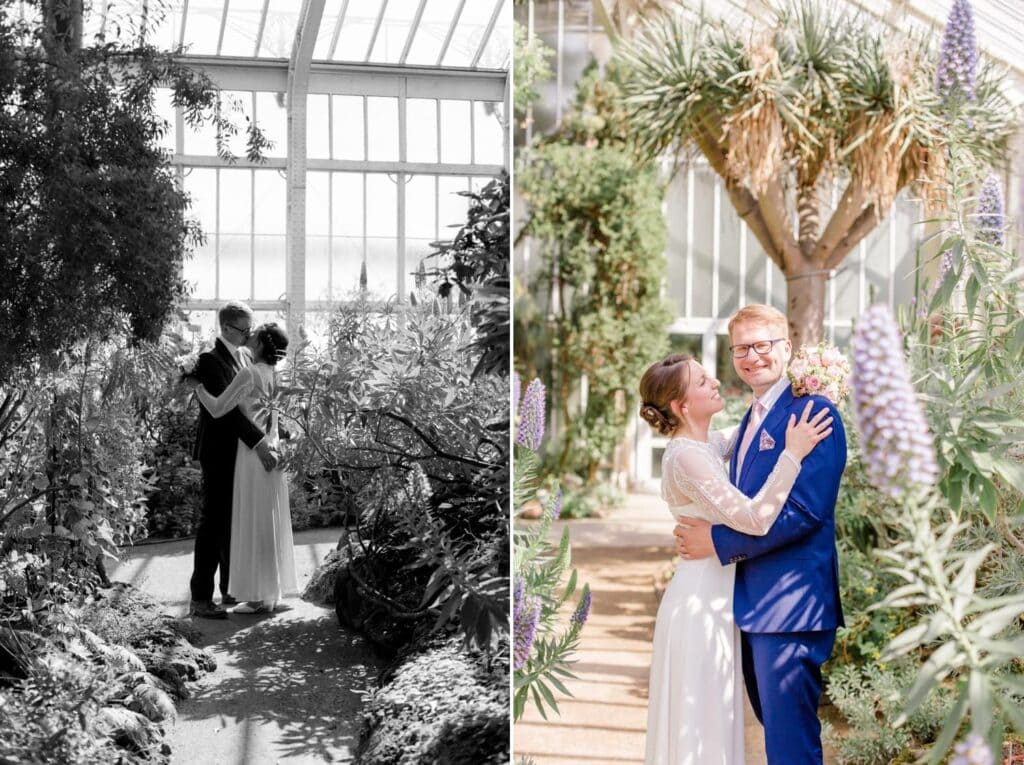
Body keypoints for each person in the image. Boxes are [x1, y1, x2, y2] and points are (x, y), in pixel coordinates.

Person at [674, 304, 848, 765]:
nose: (752, 357)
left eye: (762, 345)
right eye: (741, 349)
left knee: (791, 747)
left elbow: (805, 512)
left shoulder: (812, 412)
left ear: (786, 348)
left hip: (790, 607)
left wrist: (717, 542)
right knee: (778, 736)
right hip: (751, 605)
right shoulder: (751, 418)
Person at [194, 322, 297, 614]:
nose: (249, 335)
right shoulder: (275, 375)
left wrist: (198, 387)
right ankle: (270, 594)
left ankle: (255, 598)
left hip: (251, 455)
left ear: (261, 343)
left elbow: (218, 409)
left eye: (254, 333)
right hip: (272, 450)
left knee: (250, 521)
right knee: (269, 521)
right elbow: (277, 422)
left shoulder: (249, 373)